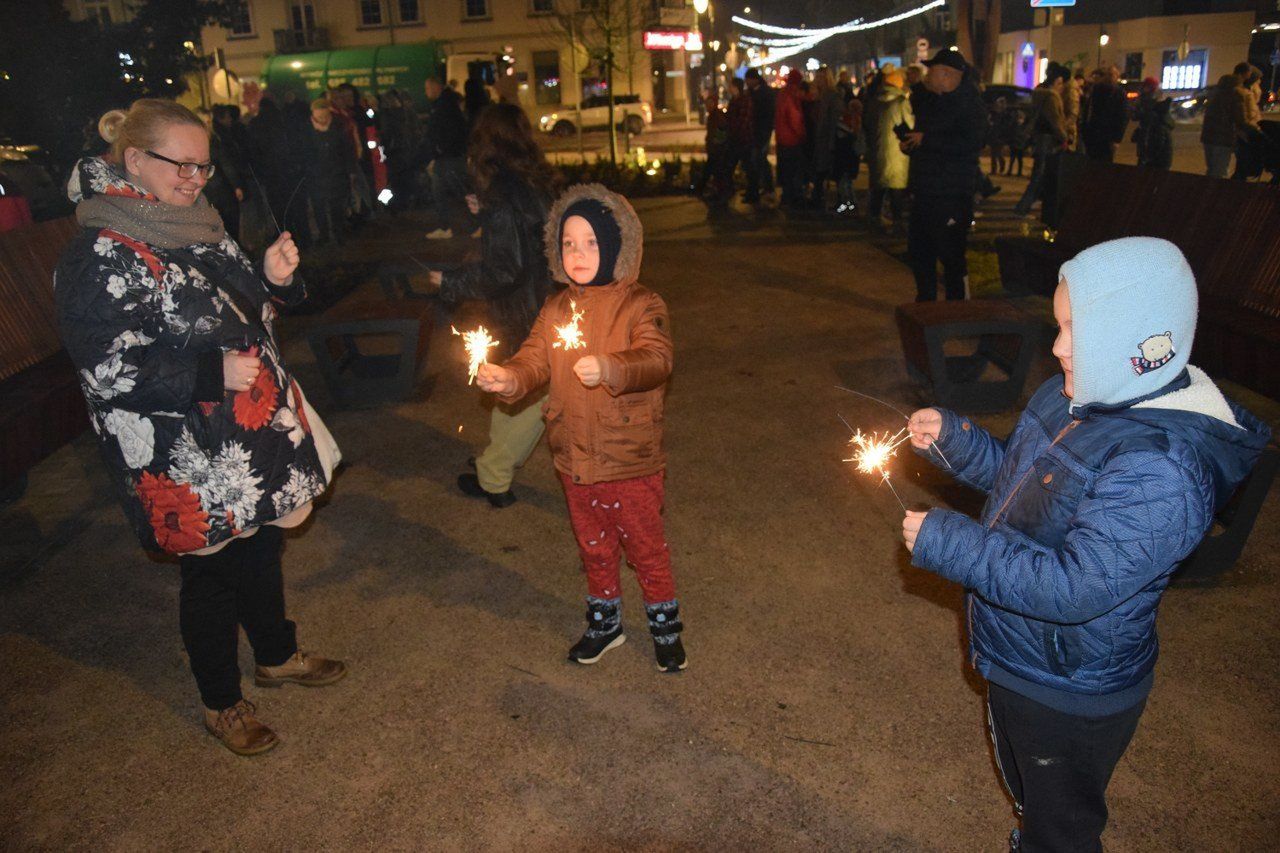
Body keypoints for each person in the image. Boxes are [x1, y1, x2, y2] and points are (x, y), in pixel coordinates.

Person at [901, 236, 1268, 852]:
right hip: (1025, 657)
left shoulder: (1161, 471)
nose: (1056, 346)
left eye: (1073, 329)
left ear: (1135, 347)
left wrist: (950, 544)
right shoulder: (1075, 395)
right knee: (1029, 791)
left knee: (1061, 825)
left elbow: (1075, 586)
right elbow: (1027, 490)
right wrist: (958, 444)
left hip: (1069, 688)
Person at [54, 99, 346, 756]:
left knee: (262, 544)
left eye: (203, 167)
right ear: (135, 160)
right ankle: (221, 700)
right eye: (180, 165)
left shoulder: (195, 223)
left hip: (246, 430)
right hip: (182, 447)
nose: (194, 179)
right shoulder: (99, 249)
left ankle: (275, 653)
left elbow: (249, 299)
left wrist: (274, 277)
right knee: (210, 574)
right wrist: (209, 375)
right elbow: (106, 367)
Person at [474, 183, 685, 673]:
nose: (578, 253)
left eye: (590, 242)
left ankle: (665, 629)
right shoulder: (556, 308)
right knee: (594, 547)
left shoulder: (641, 303)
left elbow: (657, 359)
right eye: (568, 242)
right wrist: (509, 378)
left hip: (628, 458)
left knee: (646, 547)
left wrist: (611, 368)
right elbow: (533, 359)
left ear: (614, 246)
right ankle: (605, 623)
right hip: (575, 457)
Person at [426, 103, 557, 507]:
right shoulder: (533, 182)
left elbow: (505, 268)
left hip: (522, 312)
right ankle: (493, 463)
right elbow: (528, 231)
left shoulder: (503, 193)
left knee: (524, 393)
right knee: (513, 387)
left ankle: (494, 478)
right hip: (545, 302)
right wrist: (486, 209)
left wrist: (450, 281)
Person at [901, 49, 986, 301]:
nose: (928, 76)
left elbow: (969, 145)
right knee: (919, 250)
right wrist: (911, 145)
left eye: (933, 71)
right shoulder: (932, 102)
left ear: (948, 75)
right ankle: (926, 303)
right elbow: (927, 142)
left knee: (951, 255)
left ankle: (957, 307)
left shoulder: (970, 105)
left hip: (952, 193)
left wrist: (927, 140)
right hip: (925, 190)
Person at [1013, 63, 1069, 217]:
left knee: (1040, 173)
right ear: (1057, 81)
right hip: (1048, 139)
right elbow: (1055, 121)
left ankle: (1032, 205)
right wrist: (1064, 137)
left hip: (1039, 137)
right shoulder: (1051, 97)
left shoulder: (1038, 94)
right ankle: (1023, 206)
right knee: (1040, 174)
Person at [423, 76, 472, 239]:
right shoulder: (446, 103)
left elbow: (445, 131)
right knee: (443, 191)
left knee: (459, 190)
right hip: (448, 156)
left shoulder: (444, 106)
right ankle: (447, 226)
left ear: (436, 87)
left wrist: (439, 149)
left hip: (449, 157)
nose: (426, 92)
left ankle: (475, 223)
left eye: (428, 88)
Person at [304, 98, 356, 246]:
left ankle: (338, 234)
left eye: (325, 117)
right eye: (319, 117)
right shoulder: (306, 130)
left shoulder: (338, 127)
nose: (323, 120)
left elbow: (348, 150)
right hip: (315, 176)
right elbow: (302, 152)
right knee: (319, 206)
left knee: (337, 207)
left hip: (337, 174)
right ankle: (324, 235)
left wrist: (350, 171)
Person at [870, 68, 912, 231]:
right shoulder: (901, 101)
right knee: (896, 188)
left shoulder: (875, 101)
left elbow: (869, 124)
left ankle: (874, 217)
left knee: (879, 186)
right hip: (897, 152)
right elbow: (910, 125)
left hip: (878, 149)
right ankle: (897, 221)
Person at [204, 105, 248, 243]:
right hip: (221, 189)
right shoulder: (214, 141)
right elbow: (227, 164)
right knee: (229, 223)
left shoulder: (202, 142)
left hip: (207, 191)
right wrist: (236, 185)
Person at [809, 67, 843, 211]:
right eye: (818, 77)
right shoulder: (817, 95)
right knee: (819, 171)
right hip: (817, 139)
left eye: (822, 78)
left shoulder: (832, 96)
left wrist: (831, 142)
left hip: (826, 139)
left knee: (824, 171)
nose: (819, 80)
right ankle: (818, 199)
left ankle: (827, 201)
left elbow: (834, 120)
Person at [774, 69, 808, 208]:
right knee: (794, 171)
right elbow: (795, 119)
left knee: (786, 171)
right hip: (791, 140)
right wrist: (802, 135)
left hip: (782, 139)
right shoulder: (791, 96)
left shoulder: (782, 94)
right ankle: (794, 198)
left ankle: (786, 197)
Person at [1081, 66, 1128, 163]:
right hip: (1099, 133)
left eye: (1112, 75)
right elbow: (1122, 116)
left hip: (1099, 133)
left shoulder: (1098, 90)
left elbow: (1122, 117)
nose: (1110, 77)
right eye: (1109, 74)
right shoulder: (1113, 92)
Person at [743, 68, 776, 203]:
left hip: (762, 131)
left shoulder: (764, 93)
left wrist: (764, 129)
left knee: (759, 158)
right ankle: (764, 186)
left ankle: (766, 187)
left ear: (754, 79)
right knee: (758, 159)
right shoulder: (753, 92)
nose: (746, 82)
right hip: (755, 131)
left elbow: (767, 114)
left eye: (748, 79)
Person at [720, 77, 754, 204]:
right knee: (728, 166)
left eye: (730, 86)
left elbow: (743, 121)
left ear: (735, 87)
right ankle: (729, 190)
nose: (729, 88)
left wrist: (733, 131)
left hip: (742, 140)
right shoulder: (734, 101)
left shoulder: (744, 101)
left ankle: (752, 192)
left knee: (747, 167)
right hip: (735, 139)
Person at [1200, 73, 1241, 178]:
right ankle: (1216, 192)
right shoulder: (1233, 97)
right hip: (1223, 138)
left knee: (1212, 168)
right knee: (1219, 170)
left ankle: (1207, 190)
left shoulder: (1212, 95)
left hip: (1208, 137)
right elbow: (1238, 118)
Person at [1133, 77, 1175, 170]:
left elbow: (1158, 139)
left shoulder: (1154, 108)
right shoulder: (1152, 104)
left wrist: (1148, 157)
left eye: (1146, 87)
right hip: (1152, 152)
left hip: (1156, 156)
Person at [833, 88, 863, 215]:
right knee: (848, 182)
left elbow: (840, 135)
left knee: (843, 182)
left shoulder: (844, 120)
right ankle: (851, 204)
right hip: (852, 158)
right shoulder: (858, 123)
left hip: (843, 156)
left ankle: (846, 204)